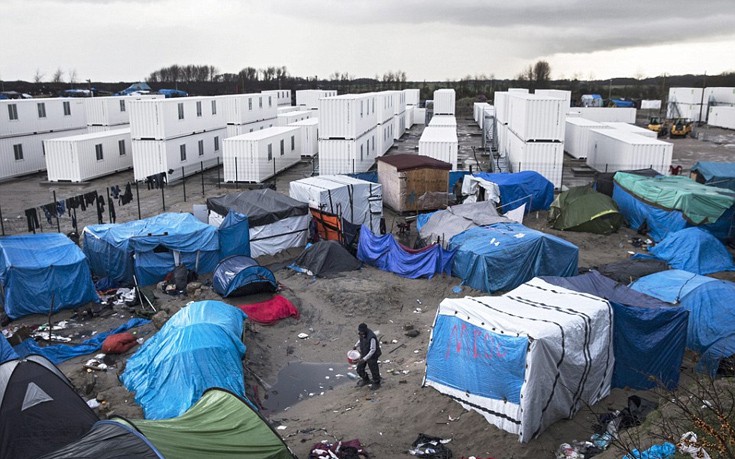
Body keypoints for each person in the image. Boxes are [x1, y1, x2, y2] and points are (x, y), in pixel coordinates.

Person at [354, 323, 382, 389]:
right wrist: (355, 346)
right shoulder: (362, 334)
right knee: (359, 369)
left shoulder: (371, 337)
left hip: (373, 355)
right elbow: (360, 340)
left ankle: (376, 382)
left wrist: (364, 359)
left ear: (365, 330)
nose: (360, 333)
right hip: (364, 352)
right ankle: (365, 379)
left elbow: (373, 349)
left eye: (361, 331)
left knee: (374, 369)